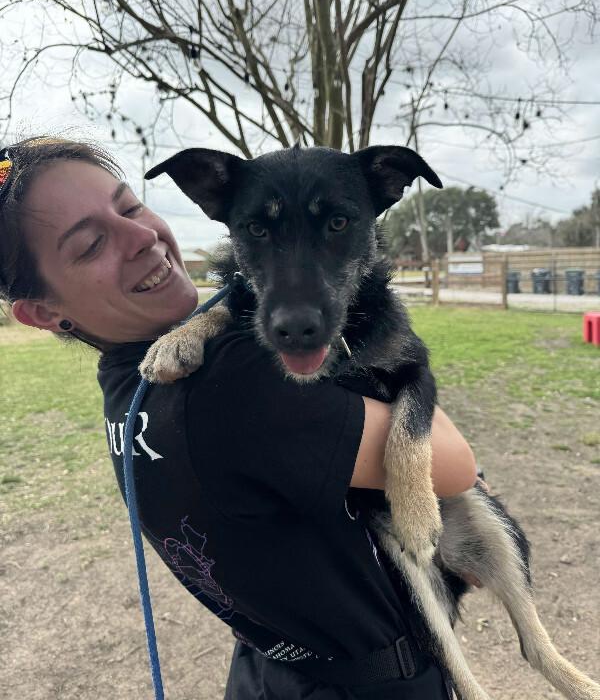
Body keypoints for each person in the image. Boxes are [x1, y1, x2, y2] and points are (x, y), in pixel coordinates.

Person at [2, 136, 478, 699]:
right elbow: (455, 467)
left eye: (129, 207)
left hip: (268, 667)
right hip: (366, 682)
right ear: (43, 313)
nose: (142, 238)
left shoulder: (129, 385)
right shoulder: (231, 382)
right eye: (89, 245)